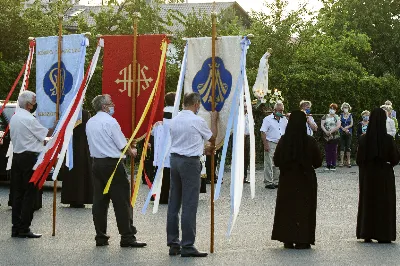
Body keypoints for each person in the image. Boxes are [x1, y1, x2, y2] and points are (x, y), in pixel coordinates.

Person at [86, 94, 146, 248]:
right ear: (104, 106)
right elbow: (123, 147)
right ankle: (127, 236)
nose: (113, 104)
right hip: (113, 164)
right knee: (122, 201)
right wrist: (133, 150)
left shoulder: (90, 122)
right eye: (111, 102)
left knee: (99, 201)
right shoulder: (111, 122)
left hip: (97, 163)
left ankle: (100, 236)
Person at [167, 92, 218, 257]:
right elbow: (212, 137)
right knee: (189, 203)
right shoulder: (197, 120)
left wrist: (201, 149)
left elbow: (185, 142)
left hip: (174, 160)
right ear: (196, 105)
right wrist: (214, 119)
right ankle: (188, 245)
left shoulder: (175, 119)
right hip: (190, 162)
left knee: (174, 203)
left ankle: (173, 243)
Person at [271, 111, 323, 249]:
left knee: (287, 208)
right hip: (306, 179)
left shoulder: (284, 140)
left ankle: (287, 237)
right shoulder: (310, 141)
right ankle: (303, 238)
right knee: (304, 208)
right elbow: (318, 162)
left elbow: (276, 160)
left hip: (287, 179)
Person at [9, 91, 53, 238]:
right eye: (34, 102)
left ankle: (16, 226)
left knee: (18, 193)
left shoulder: (15, 117)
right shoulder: (28, 119)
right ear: (28, 105)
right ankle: (24, 227)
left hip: (17, 157)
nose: (35, 104)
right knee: (30, 193)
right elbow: (46, 133)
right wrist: (59, 124)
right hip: (30, 159)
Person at [356, 108, 399, 243]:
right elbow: (395, 159)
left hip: (368, 175)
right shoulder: (388, 139)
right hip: (384, 174)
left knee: (368, 202)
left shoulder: (364, 139)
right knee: (384, 202)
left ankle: (366, 232)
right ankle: (384, 233)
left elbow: (359, 160)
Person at [59, 109, 93, 208]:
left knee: (71, 172)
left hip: (70, 146)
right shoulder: (86, 113)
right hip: (82, 146)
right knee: (82, 173)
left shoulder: (67, 111)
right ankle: (81, 198)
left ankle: (70, 198)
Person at [152, 92, 175, 204]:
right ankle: (172, 196)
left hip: (160, 151)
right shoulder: (178, 115)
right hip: (173, 150)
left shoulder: (158, 115)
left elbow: (152, 132)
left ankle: (159, 195)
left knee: (161, 173)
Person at [260, 101, 288, 189]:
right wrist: (265, 144)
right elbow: (263, 132)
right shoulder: (267, 119)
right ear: (274, 110)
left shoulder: (284, 119)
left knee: (279, 162)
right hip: (270, 142)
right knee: (269, 163)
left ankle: (277, 181)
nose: (281, 112)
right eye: (279, 110)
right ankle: (268, 181)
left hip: (281, 143)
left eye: (282, 111)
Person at [321, 103, 341, 171]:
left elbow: (338, 125)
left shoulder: (337, 117)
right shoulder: (325, 116)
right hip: (326, 136)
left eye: (333, 109)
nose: (332, 110)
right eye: (331, 108)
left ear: (335, 110)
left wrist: (331, 131)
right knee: (327, 150)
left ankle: (333, 165)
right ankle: (328, 164)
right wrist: (326, 131)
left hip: (334, 136)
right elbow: (322, 125)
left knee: (333, 150)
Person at [339, 102, 353, 167]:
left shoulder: (350, 115)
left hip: (349, 132)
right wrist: (343, 128)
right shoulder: (341, 115)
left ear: (348, 108)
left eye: (346, 107)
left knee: (348, 147)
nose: (345, 108)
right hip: (342, 132)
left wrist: (347, 128)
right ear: (342, 108)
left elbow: (351, 124)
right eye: (344, 107)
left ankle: (348, 162)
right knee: (342, 147)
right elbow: (339, 124)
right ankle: (341, 162)